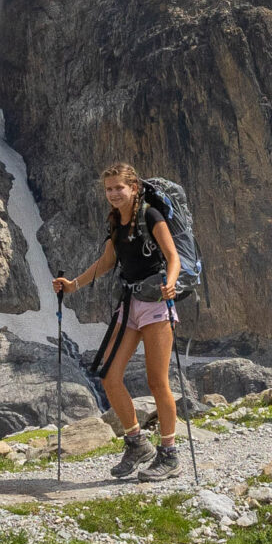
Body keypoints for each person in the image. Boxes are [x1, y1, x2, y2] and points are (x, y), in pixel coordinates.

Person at [52, 162, 186, 481]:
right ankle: (137, 443)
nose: (113, 194)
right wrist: (73, 285)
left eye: (118, 188)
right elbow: (108, 260)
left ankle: (169, 454)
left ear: (134, 188)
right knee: (110, 376)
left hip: (156, 304)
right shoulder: (115, 221)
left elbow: (173, 256)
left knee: (157, 382)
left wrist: (171, 281)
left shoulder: (151, 215)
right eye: (109, 189)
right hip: (130, 305)